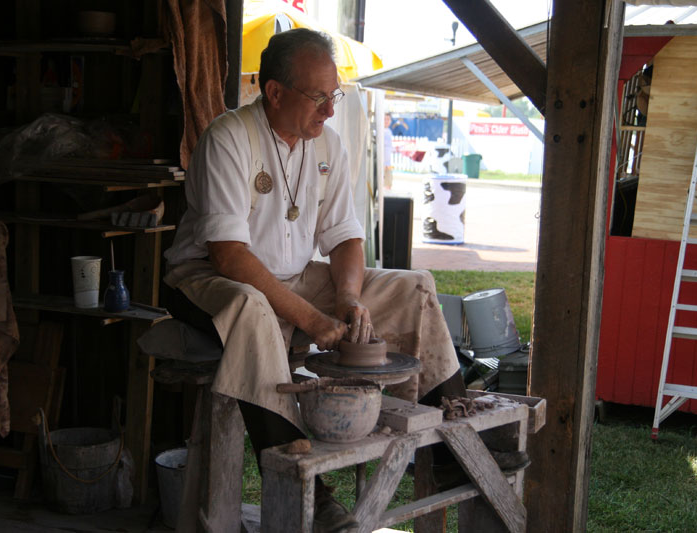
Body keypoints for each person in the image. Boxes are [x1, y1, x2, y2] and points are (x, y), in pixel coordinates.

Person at [164, 28, 475, 532]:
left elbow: (345, 236)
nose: (330, 110)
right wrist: (310, 317)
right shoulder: (228, 138)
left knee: (412, 285)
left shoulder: (326, 142)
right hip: (205, 277)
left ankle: (451, 438)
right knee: (252, 308)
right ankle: (300, 479)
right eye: (318, 98)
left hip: (292, 275)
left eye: (335, 96)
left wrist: (348, 297)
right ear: (275, 92)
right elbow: (229, 256)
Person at [383, 113, 394, 190]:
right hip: (382, 163)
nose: (386, 121)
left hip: (388, 163)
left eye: (388, 119)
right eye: (385, 119)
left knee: (389, 184)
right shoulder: (380, 131)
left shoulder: (389, 131)